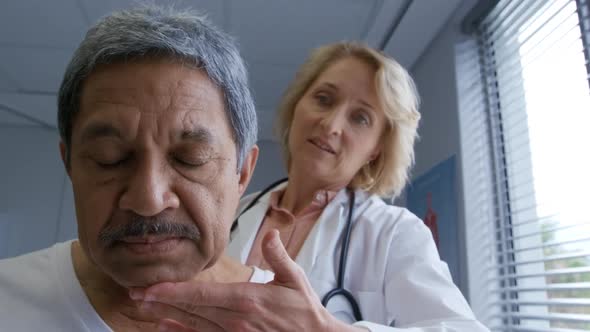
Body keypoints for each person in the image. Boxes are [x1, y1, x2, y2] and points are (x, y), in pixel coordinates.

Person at [135, 42, 490, 331]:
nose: (331, 124)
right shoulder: (232, 210)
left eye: (360, 117)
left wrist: (325, 329)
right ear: (297, 106)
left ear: (376, 150)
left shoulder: (394, 233)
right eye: (323, 98)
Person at [0, 5, 271, 331]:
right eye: (109, 157)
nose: (149, 199)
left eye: (190, 158)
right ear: (70, 164)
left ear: (242, 172)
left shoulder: (295, 319)